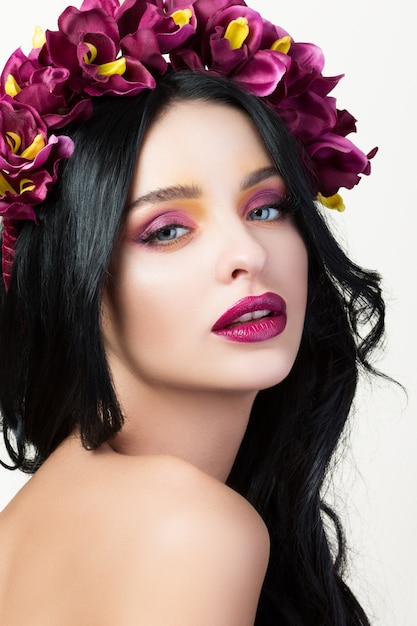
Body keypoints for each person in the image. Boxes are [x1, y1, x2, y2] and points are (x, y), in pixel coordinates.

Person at [0, 1, 385, 624]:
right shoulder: (192, 532)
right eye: (167, 229)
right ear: (75, 275)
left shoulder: (29, 523)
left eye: (266, 207)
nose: (247, 254)